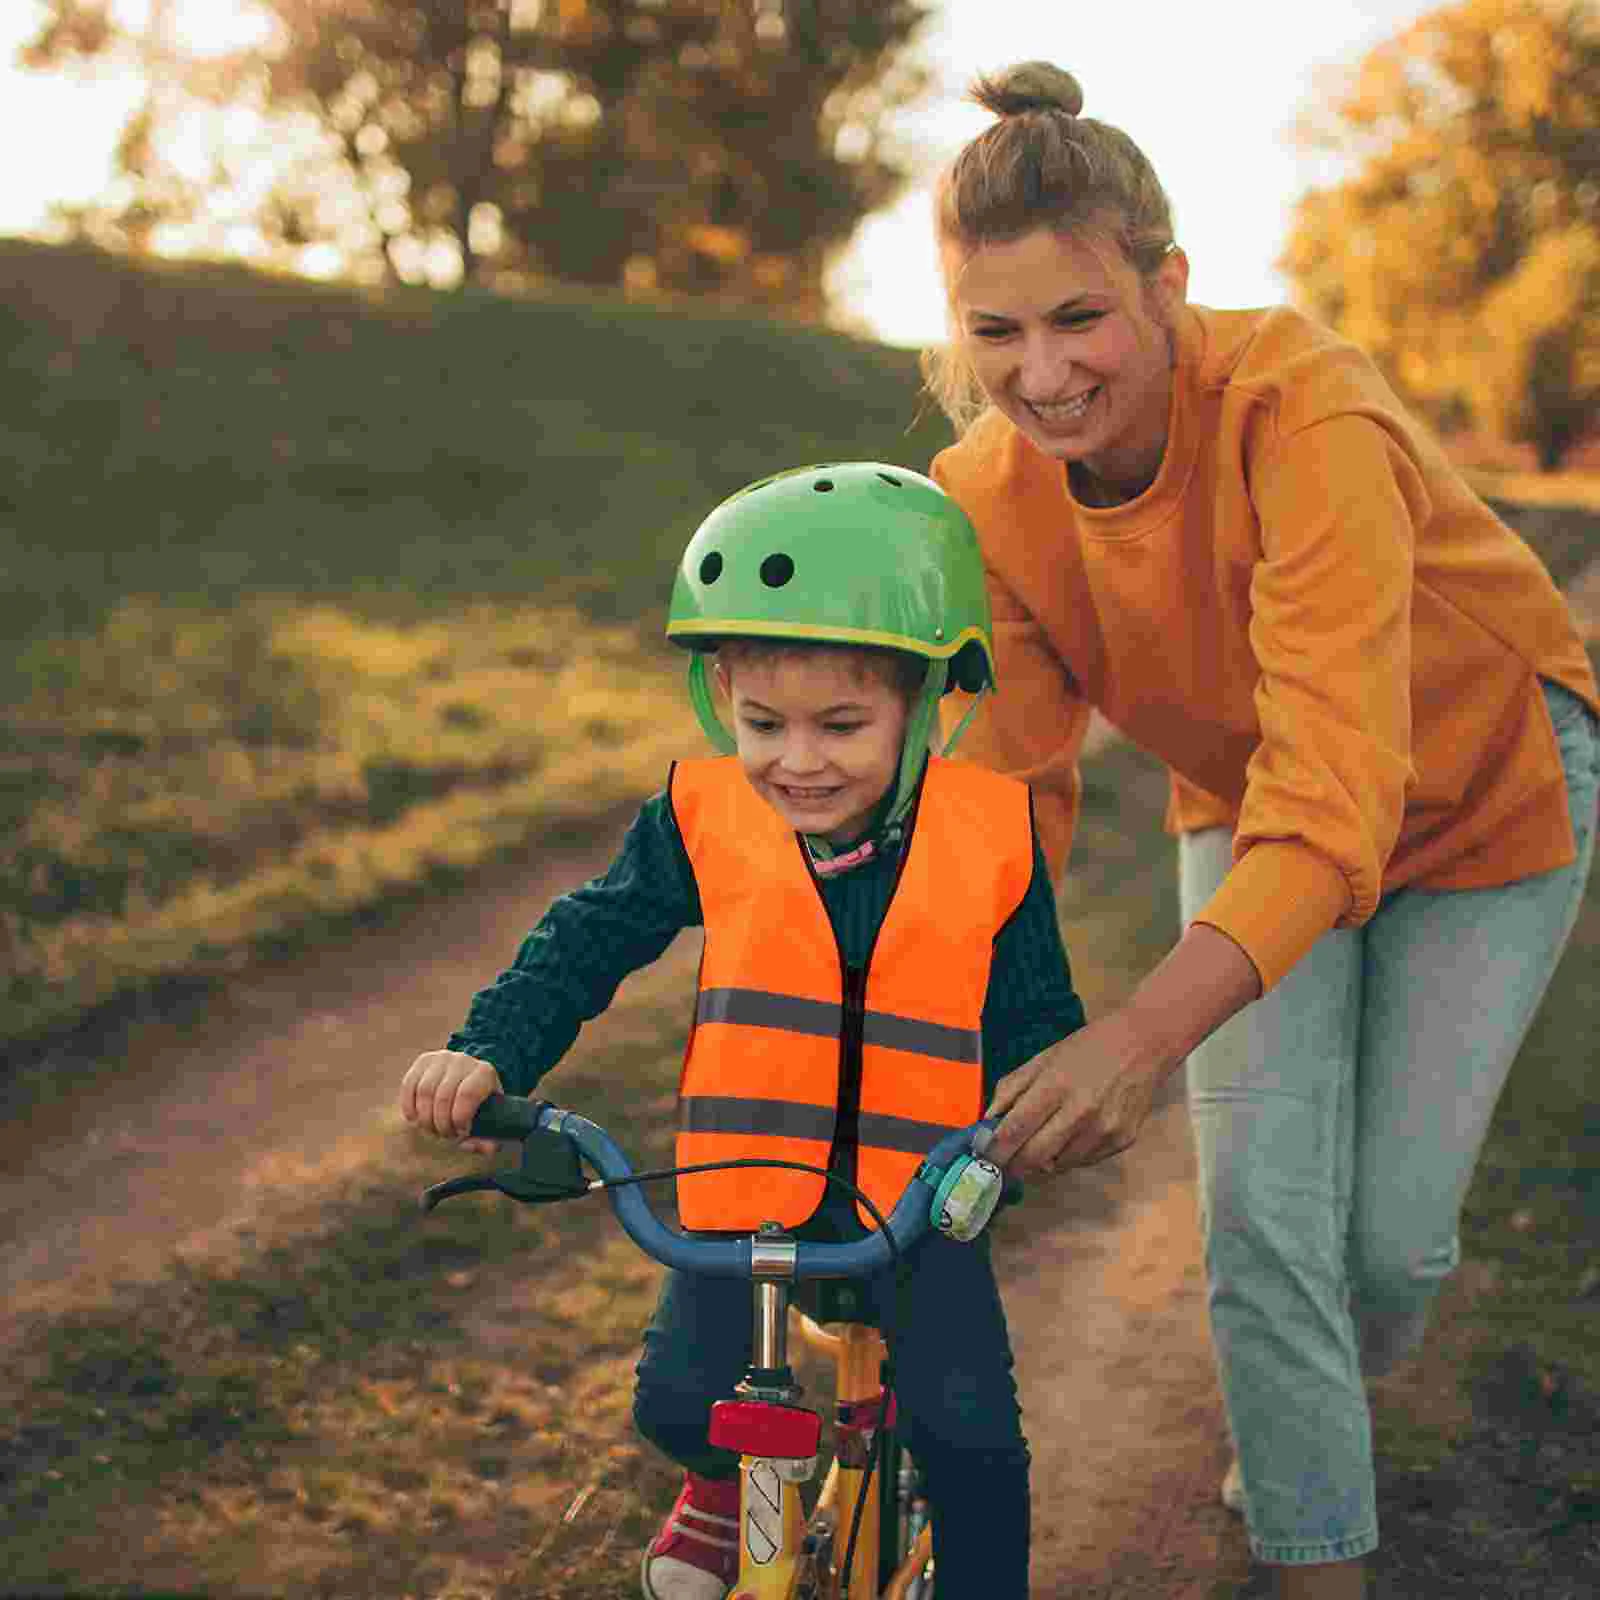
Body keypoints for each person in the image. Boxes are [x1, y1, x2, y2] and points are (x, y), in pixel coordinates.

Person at [919, 58, 1600, 1600]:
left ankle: (1310, 1414)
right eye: (997, 334)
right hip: (1255, 797)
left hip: (1491, 783)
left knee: (1390, 1254)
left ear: (1166, 285)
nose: (1043, 376)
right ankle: (1312, 1534)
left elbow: (1340, 786)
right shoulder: (984, 497)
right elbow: (1009, 784)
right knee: (1268, 1226)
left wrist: (1139, 1037)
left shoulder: (1304, 407)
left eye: (1080, 319)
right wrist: (933, 992)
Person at [399, 461, 1087, 1600]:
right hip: (741, 1193)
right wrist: (489, 1048)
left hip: (918, 1208)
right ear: (720, 698)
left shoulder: (993, 836)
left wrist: (1018, 1138)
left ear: (930, 702)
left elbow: (1037, 1022)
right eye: (762, 722)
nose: (796, 760)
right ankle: (723, 1487)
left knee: (972, 1446)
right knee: (676, 1400)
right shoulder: (703, 814)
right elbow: (591, 934)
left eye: (842, 724)